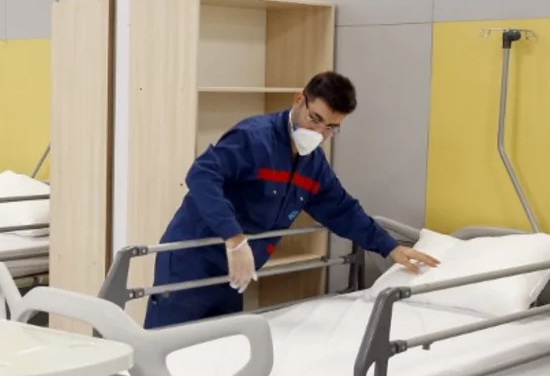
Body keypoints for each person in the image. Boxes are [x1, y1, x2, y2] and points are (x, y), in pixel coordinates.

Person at [144, 71, 438, 329]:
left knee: (217, 352)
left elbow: (341, 209)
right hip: (192, 261)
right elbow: (201, 175)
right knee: (164, 349)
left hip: (236, 272)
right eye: (315, 119)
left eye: (331, 128)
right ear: (299, 100)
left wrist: (390, 247)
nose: (319, 132)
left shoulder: (313, 164)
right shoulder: (253, 138)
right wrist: (234, 239)